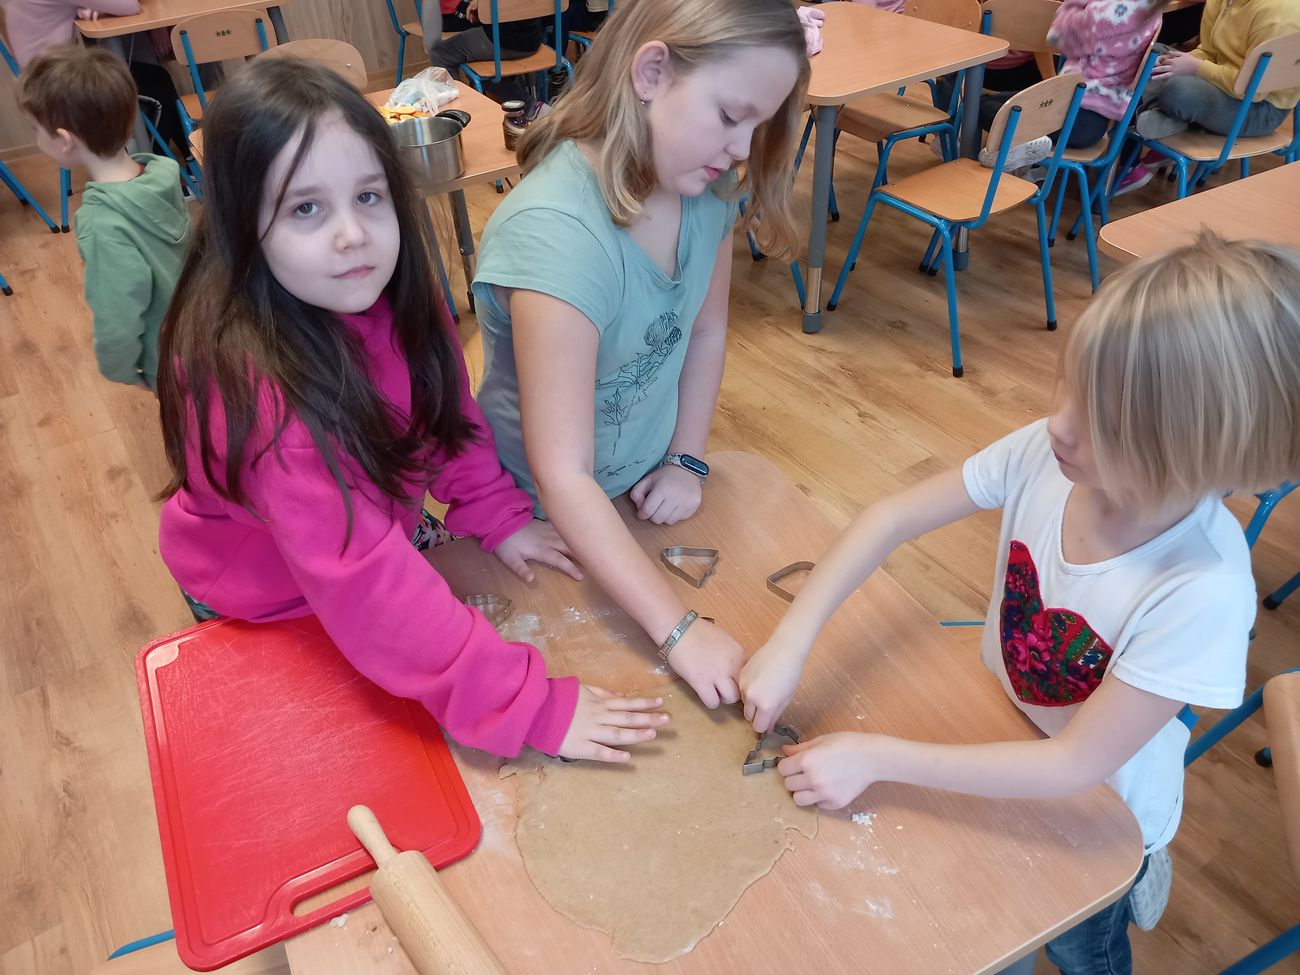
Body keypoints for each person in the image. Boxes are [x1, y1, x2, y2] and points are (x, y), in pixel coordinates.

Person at [739, 233, 1300, 974]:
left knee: (1078, 946)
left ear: (1197, 452)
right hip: (1003, 726)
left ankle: (1140, 877)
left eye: (1102, 418)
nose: (1059, 421)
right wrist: (791, 640)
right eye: (1068, 382)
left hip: (1098, 810)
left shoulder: (1203, 589)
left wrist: (876, 756)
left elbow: (1072, 766)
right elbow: (891, 518)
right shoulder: (1050, 452)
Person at [156, 57, 668, 762]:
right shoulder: (268, 403)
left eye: (369, 196)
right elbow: (369, 589)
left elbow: (444, 413)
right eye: (306, 208)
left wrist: (495, 514)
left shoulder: (386, 286)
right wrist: (525, 704)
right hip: (264, 594)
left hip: (370, 526)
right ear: (243, 227)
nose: (353, 234)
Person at [469, 0, 810, 713]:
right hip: (533, 516)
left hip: (636, 489)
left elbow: (705, 332)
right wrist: (677, 629)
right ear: (651, 72)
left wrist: (686, 458)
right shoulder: (558, 234)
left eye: (758, 125)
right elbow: (564, 473)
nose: (743, 149)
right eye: (730, 116)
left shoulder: (705, 189)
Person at [17, 44, 187, 390]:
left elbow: (117, 316)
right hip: (205, 332)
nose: (36, 138)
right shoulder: (161, 174)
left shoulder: (103, 224)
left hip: (171, 362)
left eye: (36, 129)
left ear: (64, 140)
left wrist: (121, 370)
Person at [1119, 0, 1300, 192]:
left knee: (1179, 91)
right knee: (1148, 59)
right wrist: (1178, 62)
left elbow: (1254, 91)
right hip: (1222, 84)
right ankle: (1169, 122)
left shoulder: (1279, 13)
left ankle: (1165, 122)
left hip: (1259, 107)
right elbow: (1209, 51)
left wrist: (1197, 68)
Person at [3, 0, 190, 161]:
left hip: (39, 81)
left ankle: (188, 159)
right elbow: (130, 6)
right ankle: (154, 165)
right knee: (157, 85)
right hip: (55, 90)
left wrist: (96, 6)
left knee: (155, 79)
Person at [419, 0, 547, 104]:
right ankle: (530, 106)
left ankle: (458, 114)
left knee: (440, 53)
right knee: (480, 65)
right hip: (533, 38)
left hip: (504, 41)